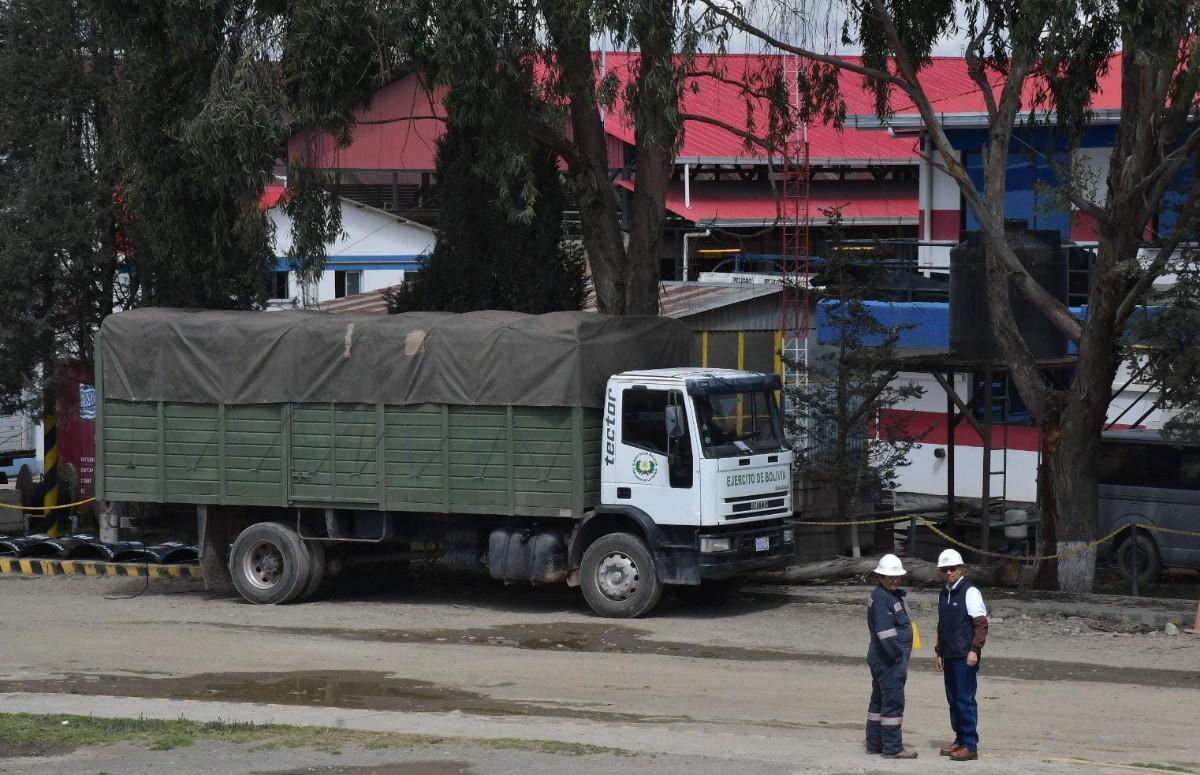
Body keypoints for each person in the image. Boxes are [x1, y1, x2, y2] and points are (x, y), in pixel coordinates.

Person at [935, 548, 988, 762]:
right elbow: (942, 626)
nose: (948, 572)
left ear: (960, 569)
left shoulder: (970, 592)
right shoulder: (944, 593)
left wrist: (974, 650)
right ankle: (959, 739)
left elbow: (980, 624)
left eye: (952, 568)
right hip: (949, 654)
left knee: (965, 700)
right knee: (953, 699)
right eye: (944, 569)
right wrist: (939, 652)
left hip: (965, 655)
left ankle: (969, 744)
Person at [865, 553, 917, 759]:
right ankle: (892, 747)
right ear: (881, 577)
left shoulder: (887, 595)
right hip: (888, 659)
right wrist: (897, 657)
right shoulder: (882, 597)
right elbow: (885, 632)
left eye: (897, 577)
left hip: (883, 657)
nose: (896, 580)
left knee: (879, 701)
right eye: (891, 577)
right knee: (892, 701)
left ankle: (875, 744)